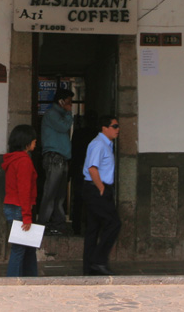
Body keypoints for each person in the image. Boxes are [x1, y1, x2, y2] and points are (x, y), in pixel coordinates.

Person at [81, 115, 121, 276]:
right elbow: (92, 168)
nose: (118, 130)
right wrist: (101, 188)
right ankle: (98, 260)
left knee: (94, 228)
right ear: (105, 128)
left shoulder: (106, 144)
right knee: (114, 223)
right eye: (115, 126)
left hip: (97, 188)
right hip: (96, 188)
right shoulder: (99, 144)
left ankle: (90, 266)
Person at [1, 124, 39, 277]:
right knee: (19, 248)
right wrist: (27, 216)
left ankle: (30, 278)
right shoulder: (24, 161)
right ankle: (13, 281)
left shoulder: (14, 159)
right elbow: (24, 190)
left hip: (13, 206)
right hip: (19, 207)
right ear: (26, 141)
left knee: (28, 246)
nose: (35, 142)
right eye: (33, 139)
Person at [37, 88, 73, 234]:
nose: (70, 105)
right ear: (61, 101)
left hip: (62, 159)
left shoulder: (60, 115)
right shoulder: (52, 114)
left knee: (59, 196)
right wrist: (69, 113)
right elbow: (64, 127)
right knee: (50, 194)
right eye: (69, 102)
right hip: (54, 158)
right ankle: (42, 225)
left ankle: (58, 224)